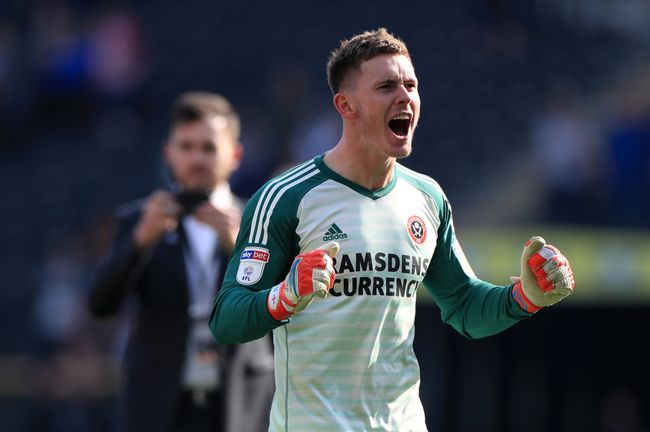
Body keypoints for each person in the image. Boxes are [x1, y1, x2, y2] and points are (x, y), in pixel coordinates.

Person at [208, 29, 575, 431]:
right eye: (386, 86)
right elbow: (227, 318)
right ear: (346, 105)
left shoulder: (427, 197)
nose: (405, 97)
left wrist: (525, 297)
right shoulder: (285, 196)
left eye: (411, 85)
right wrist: (286, 296)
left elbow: (464, 305)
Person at [88, 92, 274, 432]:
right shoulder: (139, 220)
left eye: (208, 147)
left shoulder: (260, 223)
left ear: (235, 155)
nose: (196, 159)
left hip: (241, 403)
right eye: (186, 147)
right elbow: (100, 304)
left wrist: (241, 249)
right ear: (168, 153)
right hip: (157, 405)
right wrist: (139, 241)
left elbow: (283, 313)